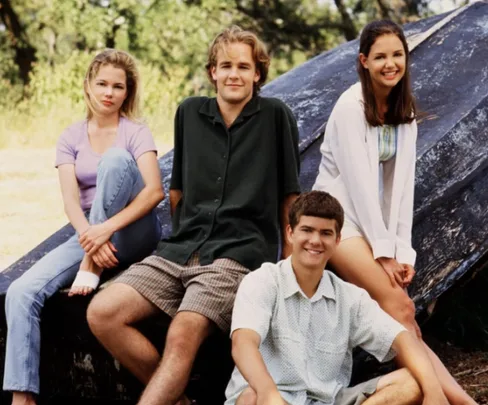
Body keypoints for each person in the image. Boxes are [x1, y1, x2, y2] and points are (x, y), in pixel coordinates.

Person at [86, 26, 301, 405]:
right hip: (180, 248)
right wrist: (183, 237)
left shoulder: (275, 116)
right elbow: (176, 192)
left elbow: (290, 195)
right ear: (212, 72)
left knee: (183, 331)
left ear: (257, 73)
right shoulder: (188, 112)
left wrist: (289, 267)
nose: (234, 74)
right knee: (102, 312)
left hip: (238, 253)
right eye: (225, 65)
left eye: (243, 66)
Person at [313, 20, 476, 405]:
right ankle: (439, 399)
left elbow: (400, 189)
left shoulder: (403, 112)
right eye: (381, 56)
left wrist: (402, 253)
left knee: (404, 319)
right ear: (364, 61)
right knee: (401, 307)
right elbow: (358, 187)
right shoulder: (351, 106)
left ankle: (460, 401)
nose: (391, 64)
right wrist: (383, 253)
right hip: (336, 220)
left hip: (372, 227)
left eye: (397, 55)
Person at [3, 49, 164, 405]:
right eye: (102, 83)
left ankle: (89, 267)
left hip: (134, 229)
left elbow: (154, 191)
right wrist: (93, 236)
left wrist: (105, 232)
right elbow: (71, 202)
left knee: (115, 160)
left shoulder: (135, 132)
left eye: (118, 86)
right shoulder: (70, 136)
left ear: (127, 92)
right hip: (91, 233)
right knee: (20, 292)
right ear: (88, 85)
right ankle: (22, 397)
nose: (109, 92)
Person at [225, 190, 449, 405]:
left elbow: (402, 339)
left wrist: (434, 392)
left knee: (412, 383)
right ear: (290, 233)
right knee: (250, 398)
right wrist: (268, 392)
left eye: (325, 233)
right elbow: (243, 344)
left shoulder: (349, 298)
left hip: (329, 401)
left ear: (338, 239)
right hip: (272, 398)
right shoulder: (262, 281)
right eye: (307, 230)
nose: (315, 240)